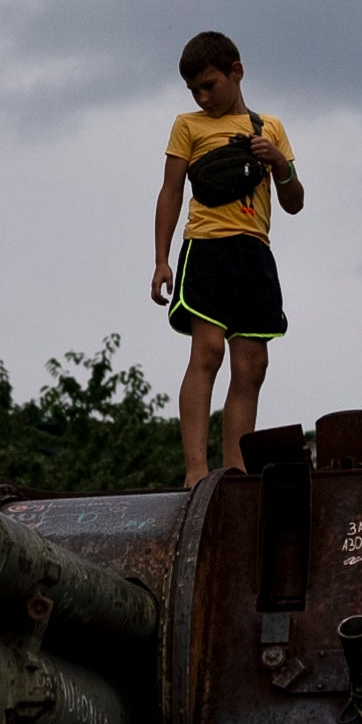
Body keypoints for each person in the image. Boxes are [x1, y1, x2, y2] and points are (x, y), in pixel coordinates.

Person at [151, 31, 302, 480]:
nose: (202, 97)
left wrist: (279, 162)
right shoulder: (188, 126)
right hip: (208, 248)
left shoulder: (269, 127)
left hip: (254, 254)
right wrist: (162, 259)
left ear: (236, 72)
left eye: (209, 85)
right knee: (209, 350)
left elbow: (294, 202)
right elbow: (170, 191)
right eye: (194, 89)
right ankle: (196, 470)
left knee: (252, 363)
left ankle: (236, 470)